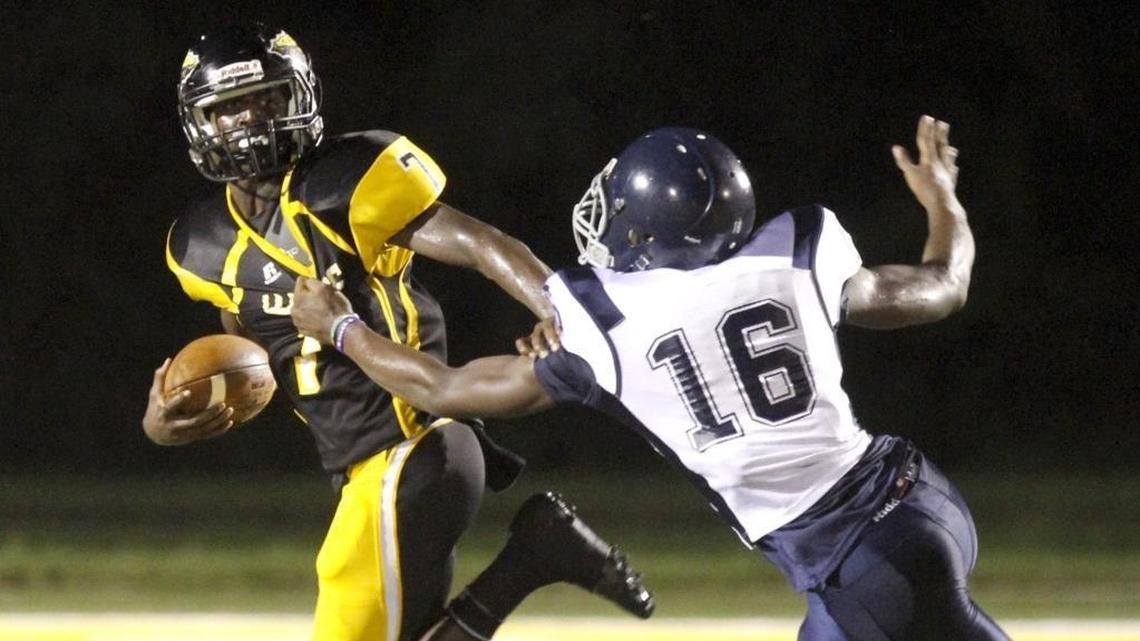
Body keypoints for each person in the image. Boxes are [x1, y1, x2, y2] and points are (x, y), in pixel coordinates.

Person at [290, 117, 1013, 641]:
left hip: (860, 561)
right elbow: (944, 285)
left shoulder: (609, 328)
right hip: (917, 496)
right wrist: (943, 196)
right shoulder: (790, 258)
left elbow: (444, 390)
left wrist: (343, 329)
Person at [140, 24, 652, 641]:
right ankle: (537, 554)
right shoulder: (197, 244)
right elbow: (253, 355)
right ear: (200, 123)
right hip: (365, 468)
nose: (251, 119)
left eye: (267, 98)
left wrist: (564, 311)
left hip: (411, 451)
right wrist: (173, 416)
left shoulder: (344, 181)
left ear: (298, 96)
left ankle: (535, 558)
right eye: (229, 108)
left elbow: (478, 243)